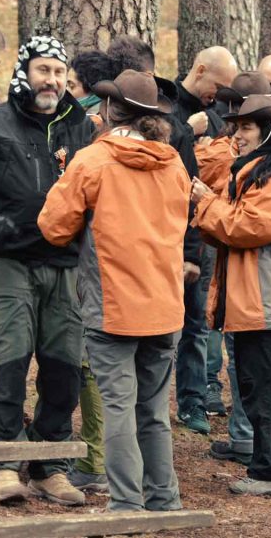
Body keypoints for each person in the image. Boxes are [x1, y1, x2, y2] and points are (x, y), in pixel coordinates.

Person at [0, 35, 93, 505]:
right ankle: (2, 462)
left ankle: (50, 466)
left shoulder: (80, 128)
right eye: (43, 69)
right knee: (8, 361)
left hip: (65, 265)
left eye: (59, 72)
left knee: (63, 368)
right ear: (24, 72)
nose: (52, 80)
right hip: (8, 262)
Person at [38, 69, 189, 512]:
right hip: (164, 305)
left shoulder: (92, 161)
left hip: (113, 306)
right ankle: (164, 500)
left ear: (107, 110)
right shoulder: (174, 163)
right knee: (154, 412)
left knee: (119, 409)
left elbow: (52, 226)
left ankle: (126, 503)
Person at [191, 95, 271, 497]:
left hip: (266, 299)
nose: (237, 135)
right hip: (258, 298)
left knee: (264, 388)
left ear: (268, 131)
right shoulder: (256, 172)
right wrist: (210, 207)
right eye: (236, 126)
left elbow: (249, 227)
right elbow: (229, 227)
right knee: (267, 386)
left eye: (246, 128)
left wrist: (205, 202)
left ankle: (269, 474)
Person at [172, 46, 238, 435]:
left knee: (196, 323)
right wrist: (186, 132)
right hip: (159, 234)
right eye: (219, 85)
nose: (221, 96)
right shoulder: (165, 108)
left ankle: (193, 402)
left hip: (200, 238)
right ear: (199, 70)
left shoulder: (217, 119)